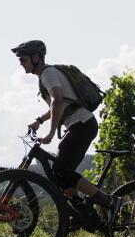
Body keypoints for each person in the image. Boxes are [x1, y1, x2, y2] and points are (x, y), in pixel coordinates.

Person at [13, 39, 111, 207]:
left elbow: (57, 101)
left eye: (23, 59)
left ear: (36, 57)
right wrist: (39, 121)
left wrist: (51, 133)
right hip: (79, 125)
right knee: (60, 174)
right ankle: (80, 208)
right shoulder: (47, 74)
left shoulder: (47, 74)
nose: (21, 64)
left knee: (60, 171)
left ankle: (108, 202)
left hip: (82, 125)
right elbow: (62, 104)